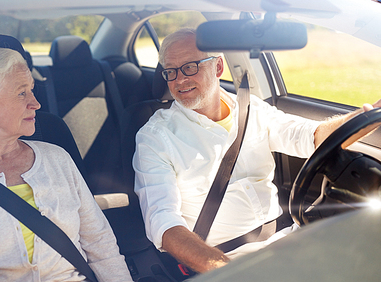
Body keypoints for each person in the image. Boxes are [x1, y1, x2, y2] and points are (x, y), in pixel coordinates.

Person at [133, 28, 381, 273]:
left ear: (218, 67)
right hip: (226, 260)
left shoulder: (253, 109)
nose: (179, 80)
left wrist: (370, 116)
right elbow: (164, 225)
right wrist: (227, 271)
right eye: (170, 72)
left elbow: (312, 136)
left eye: (189, 67)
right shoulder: (155, 138)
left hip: (289, 240)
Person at [0, 47, 132, 282]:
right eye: (21, 94)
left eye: (31, 91)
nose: (36, 103)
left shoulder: (57, 159)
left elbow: (101, 245)